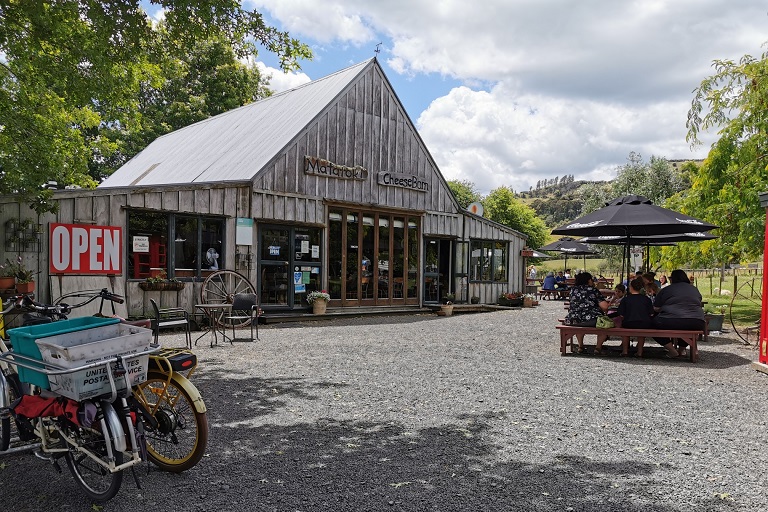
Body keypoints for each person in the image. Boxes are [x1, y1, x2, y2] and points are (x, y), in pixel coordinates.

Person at [652, 269, 705, 358]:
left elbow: (656, 308)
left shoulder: (667, 289)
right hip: (697, 321)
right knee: (688, 329)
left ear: (673, 279)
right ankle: (681, 349)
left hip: (671, 320)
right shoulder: (694, 289)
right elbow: (699, 302)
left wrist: (664, 308)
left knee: (652, 325)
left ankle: (672, 350)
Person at [613, 277, 659, 357]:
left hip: (629, 322)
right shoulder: (646, 299)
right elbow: (651, 313)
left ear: (631, 287)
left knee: (625, 331)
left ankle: (625, 351)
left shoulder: (626, 299)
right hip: (644, 323)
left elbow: (621, 314)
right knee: (641, 333)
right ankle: (639, 352)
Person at [565, 272, 609, 353]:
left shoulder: (573, 290)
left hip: (573, 319)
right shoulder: (593, 290)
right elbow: (605, 306)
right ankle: (598, 348)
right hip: (590, 319)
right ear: (589, 280)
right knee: (605, 324)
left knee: (579, 326)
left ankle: (580, 346)